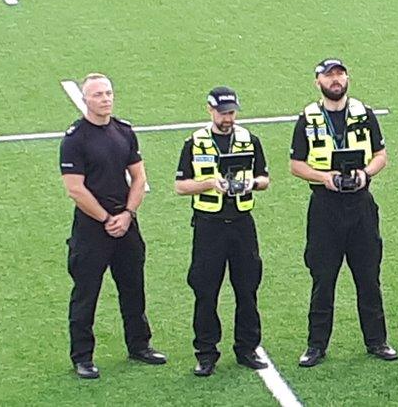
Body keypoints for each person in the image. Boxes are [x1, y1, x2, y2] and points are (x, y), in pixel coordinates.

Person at [289, 58, 398, 367]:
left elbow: (381, 156)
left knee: (368, 276)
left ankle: (377, 341)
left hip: (361, 205)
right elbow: (296, 165)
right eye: (328, 76)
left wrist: (364, 174)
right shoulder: (308, 119)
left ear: (347, 78)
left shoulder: (364, 114)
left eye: (339, 74)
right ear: (318, 82)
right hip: (325, 207)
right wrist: (325, 178)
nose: (335, 80)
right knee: (323, 278)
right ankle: (316, 345)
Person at [59, 73, 165, 379]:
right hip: (92, 229)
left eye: (108, 93)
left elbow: (139, 177)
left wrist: (127, 214)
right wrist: (107, 219)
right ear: (85, 100)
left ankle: (139, 345)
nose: (105, 99)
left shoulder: (124, 131)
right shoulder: (75, 139)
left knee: (133, 288)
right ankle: (82, 356)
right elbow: (75, 189)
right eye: (98, 95)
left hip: (126, 223)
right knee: (86, 293)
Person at [174, 86, 270, 377]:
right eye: (223, 112)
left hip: (242, 222)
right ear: (210, 110)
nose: (228, 118)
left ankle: (247, 348)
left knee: (247, 288)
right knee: (205, 291)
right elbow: (180, 186)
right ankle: (206, 353)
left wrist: (251, 184)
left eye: (231, 112)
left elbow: (265, 178)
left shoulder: (249, 140)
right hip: (209, 225)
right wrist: (209, 184)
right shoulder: (195, 142)